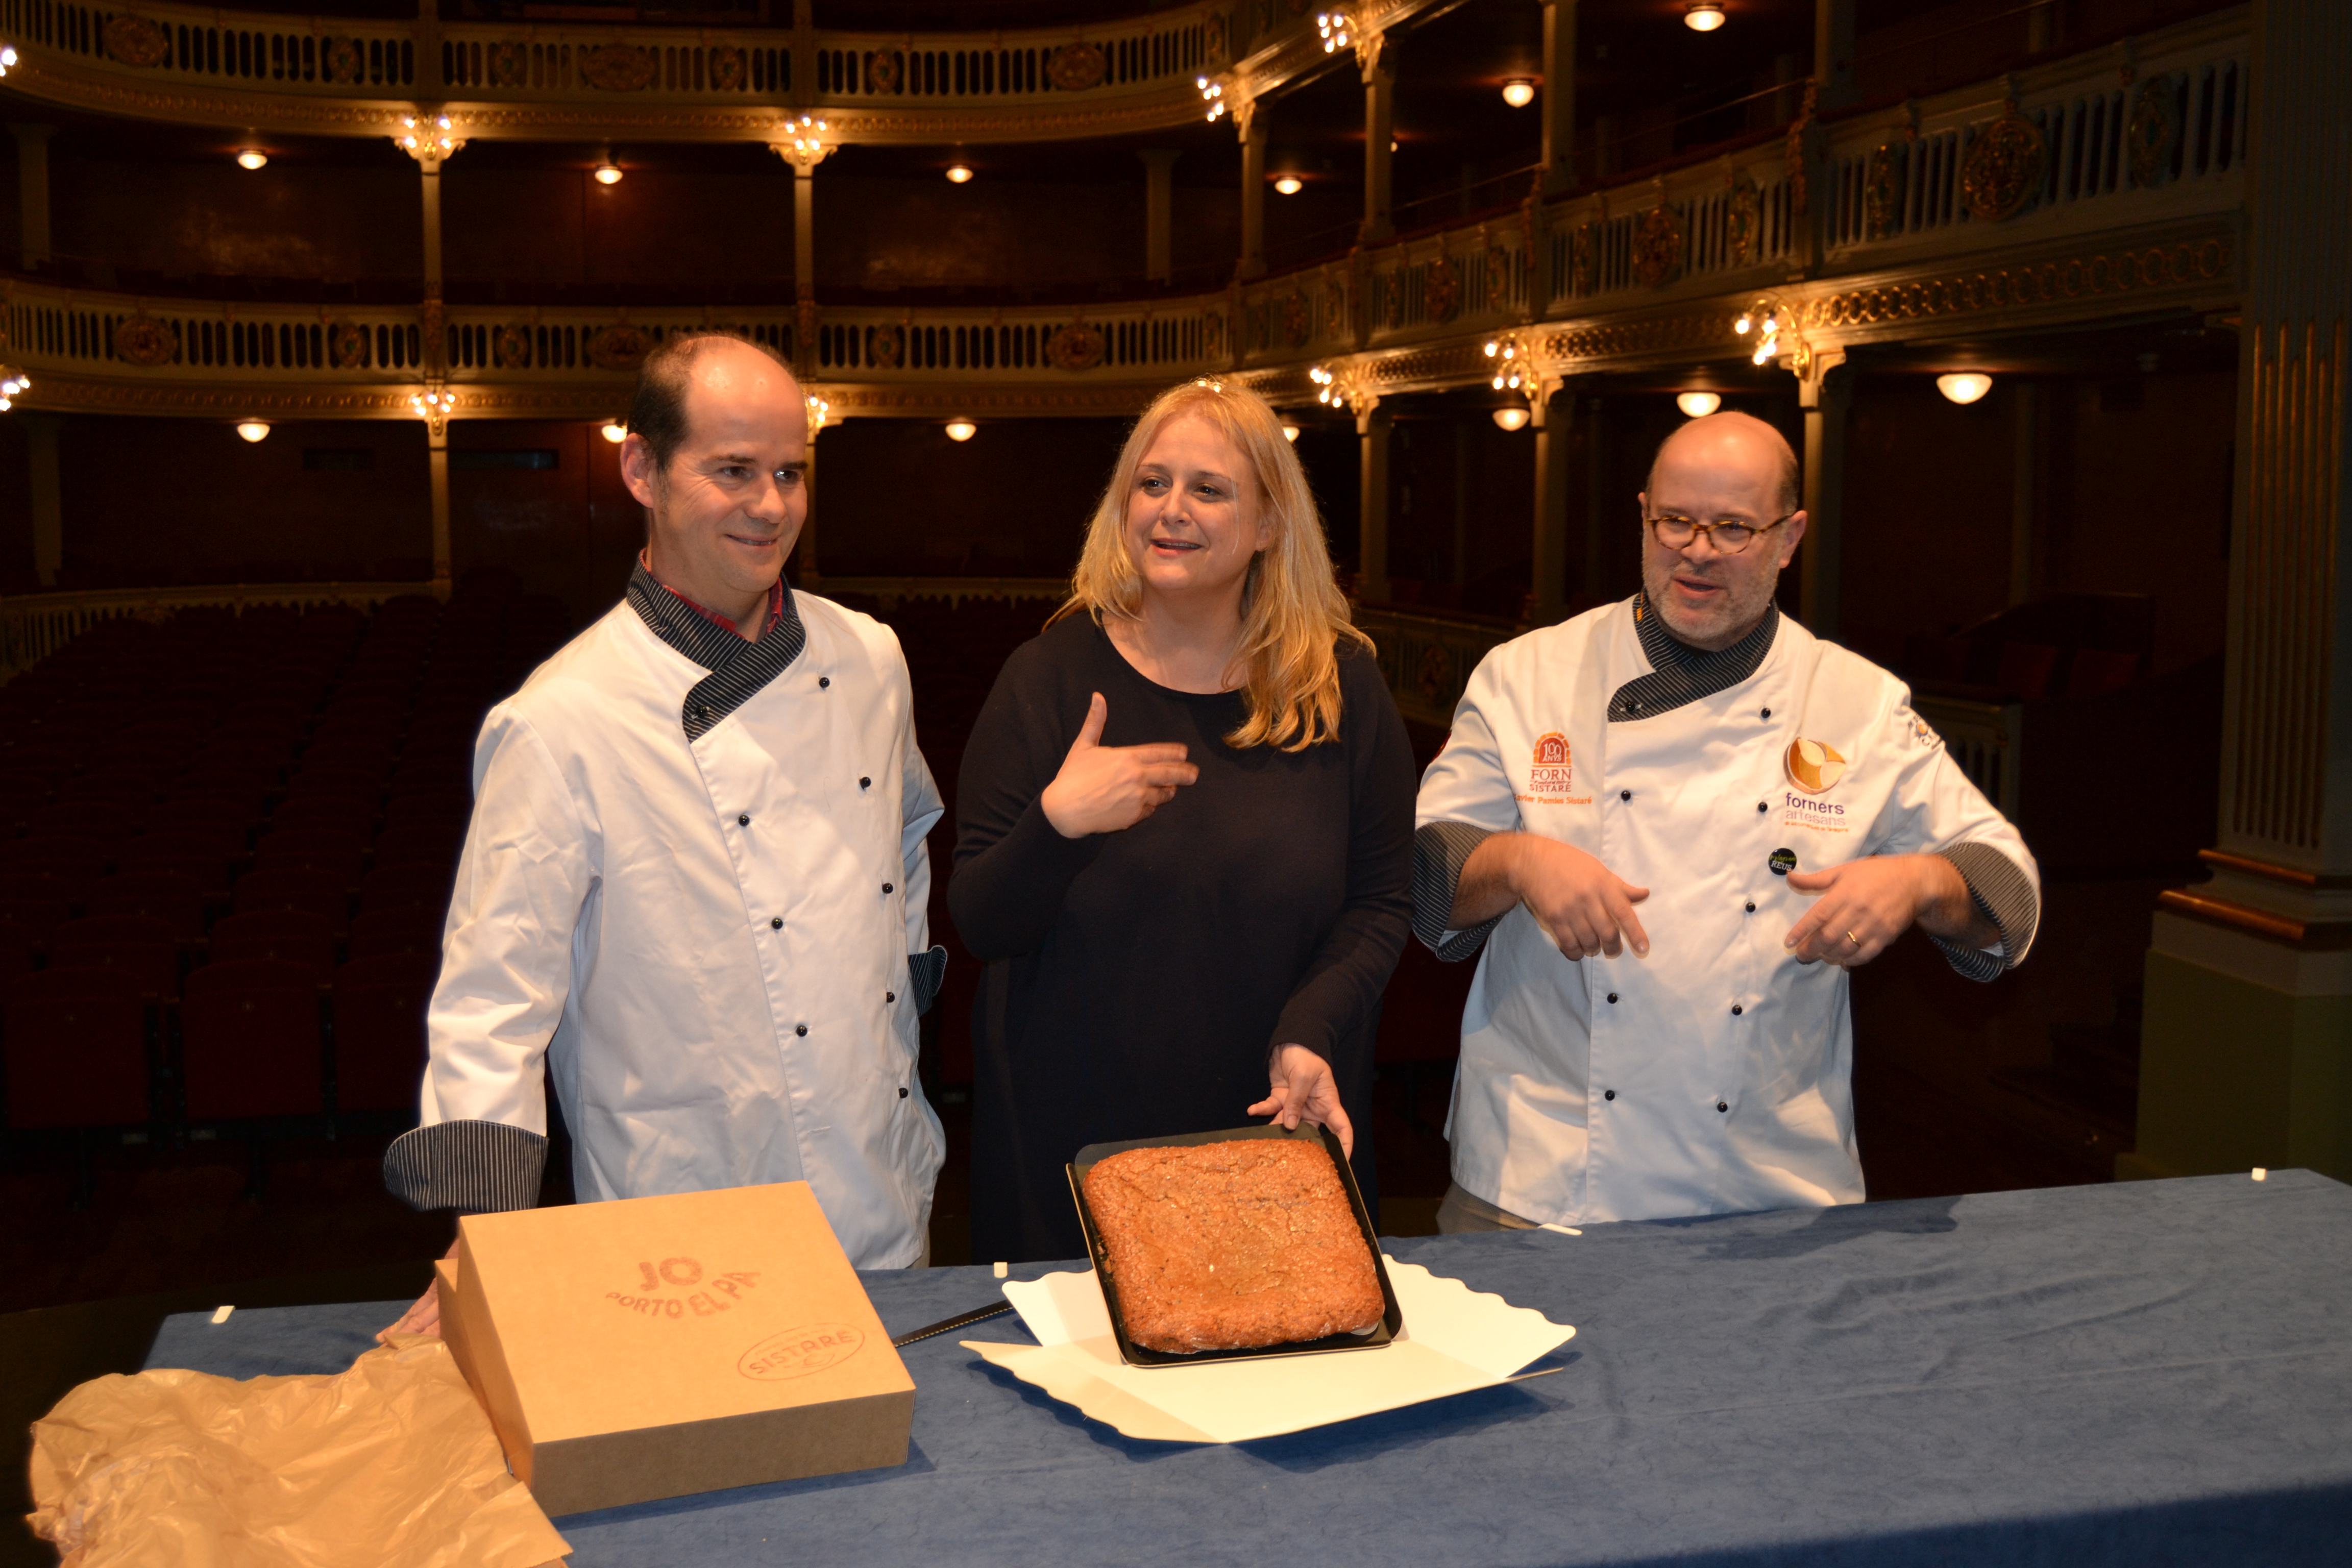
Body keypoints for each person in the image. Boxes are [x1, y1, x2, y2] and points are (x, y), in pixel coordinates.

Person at [380, 332, 947, 1335]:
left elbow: (903, 843)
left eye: (788, 473)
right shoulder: (562, 719)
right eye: (733, 471)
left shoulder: (870, 657)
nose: (770, 505)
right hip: (680, 1218)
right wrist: (487, 1233)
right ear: (642, 469)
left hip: (880, 1196)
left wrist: (891, 1012)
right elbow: (494, 996)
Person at [1413, 410, 2039, 1232]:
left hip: (1769, 1191)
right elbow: (1430, 877)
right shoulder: (1528, 676)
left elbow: (2009, 894)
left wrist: (1921, 881)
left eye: (1735, 528)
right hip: (1539, 1177)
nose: (1698, 551)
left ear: (1789, 538)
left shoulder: (1855, 701)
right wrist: (1520, 863)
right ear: (1644, 516)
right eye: (1675, 521)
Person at [950, 379, 1416, 1263]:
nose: (1172, 510)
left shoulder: (1340, 686)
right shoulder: (1046, 679)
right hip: (1076, 1143)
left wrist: (1310, 1028)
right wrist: (1058, 823)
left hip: (1273, 1118)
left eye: (1209, 489)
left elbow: (1382, 900)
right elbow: (982, 922)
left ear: (1269, 524)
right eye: (1152, 483)